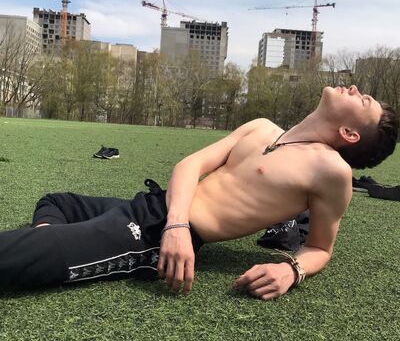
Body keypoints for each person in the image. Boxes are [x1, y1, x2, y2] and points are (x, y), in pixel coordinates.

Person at [0, 85, 398, 300]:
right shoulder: (262, 128)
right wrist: (174, 221)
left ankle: (53, 246)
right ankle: (55, 242)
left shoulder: (331, 171)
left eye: (362, 100)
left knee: (12, 253)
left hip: (151, 237)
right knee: (56, 203)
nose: (354, 88)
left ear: (350, 133)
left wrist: (290, 270)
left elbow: (321, 247)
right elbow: (189, 165)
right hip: (158, 209)